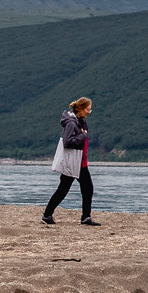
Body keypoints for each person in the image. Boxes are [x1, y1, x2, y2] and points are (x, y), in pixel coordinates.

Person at [43, 96, 100, 226]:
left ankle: (85, 217)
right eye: (88, 110)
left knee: (86, 189)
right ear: (81, 109)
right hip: (74, 163)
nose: (89, 112)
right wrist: (82, 136)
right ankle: (47, 215)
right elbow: (67, 142)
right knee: (64, 189)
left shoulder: (80, 121)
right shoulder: (71, 123)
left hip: (80, 162)